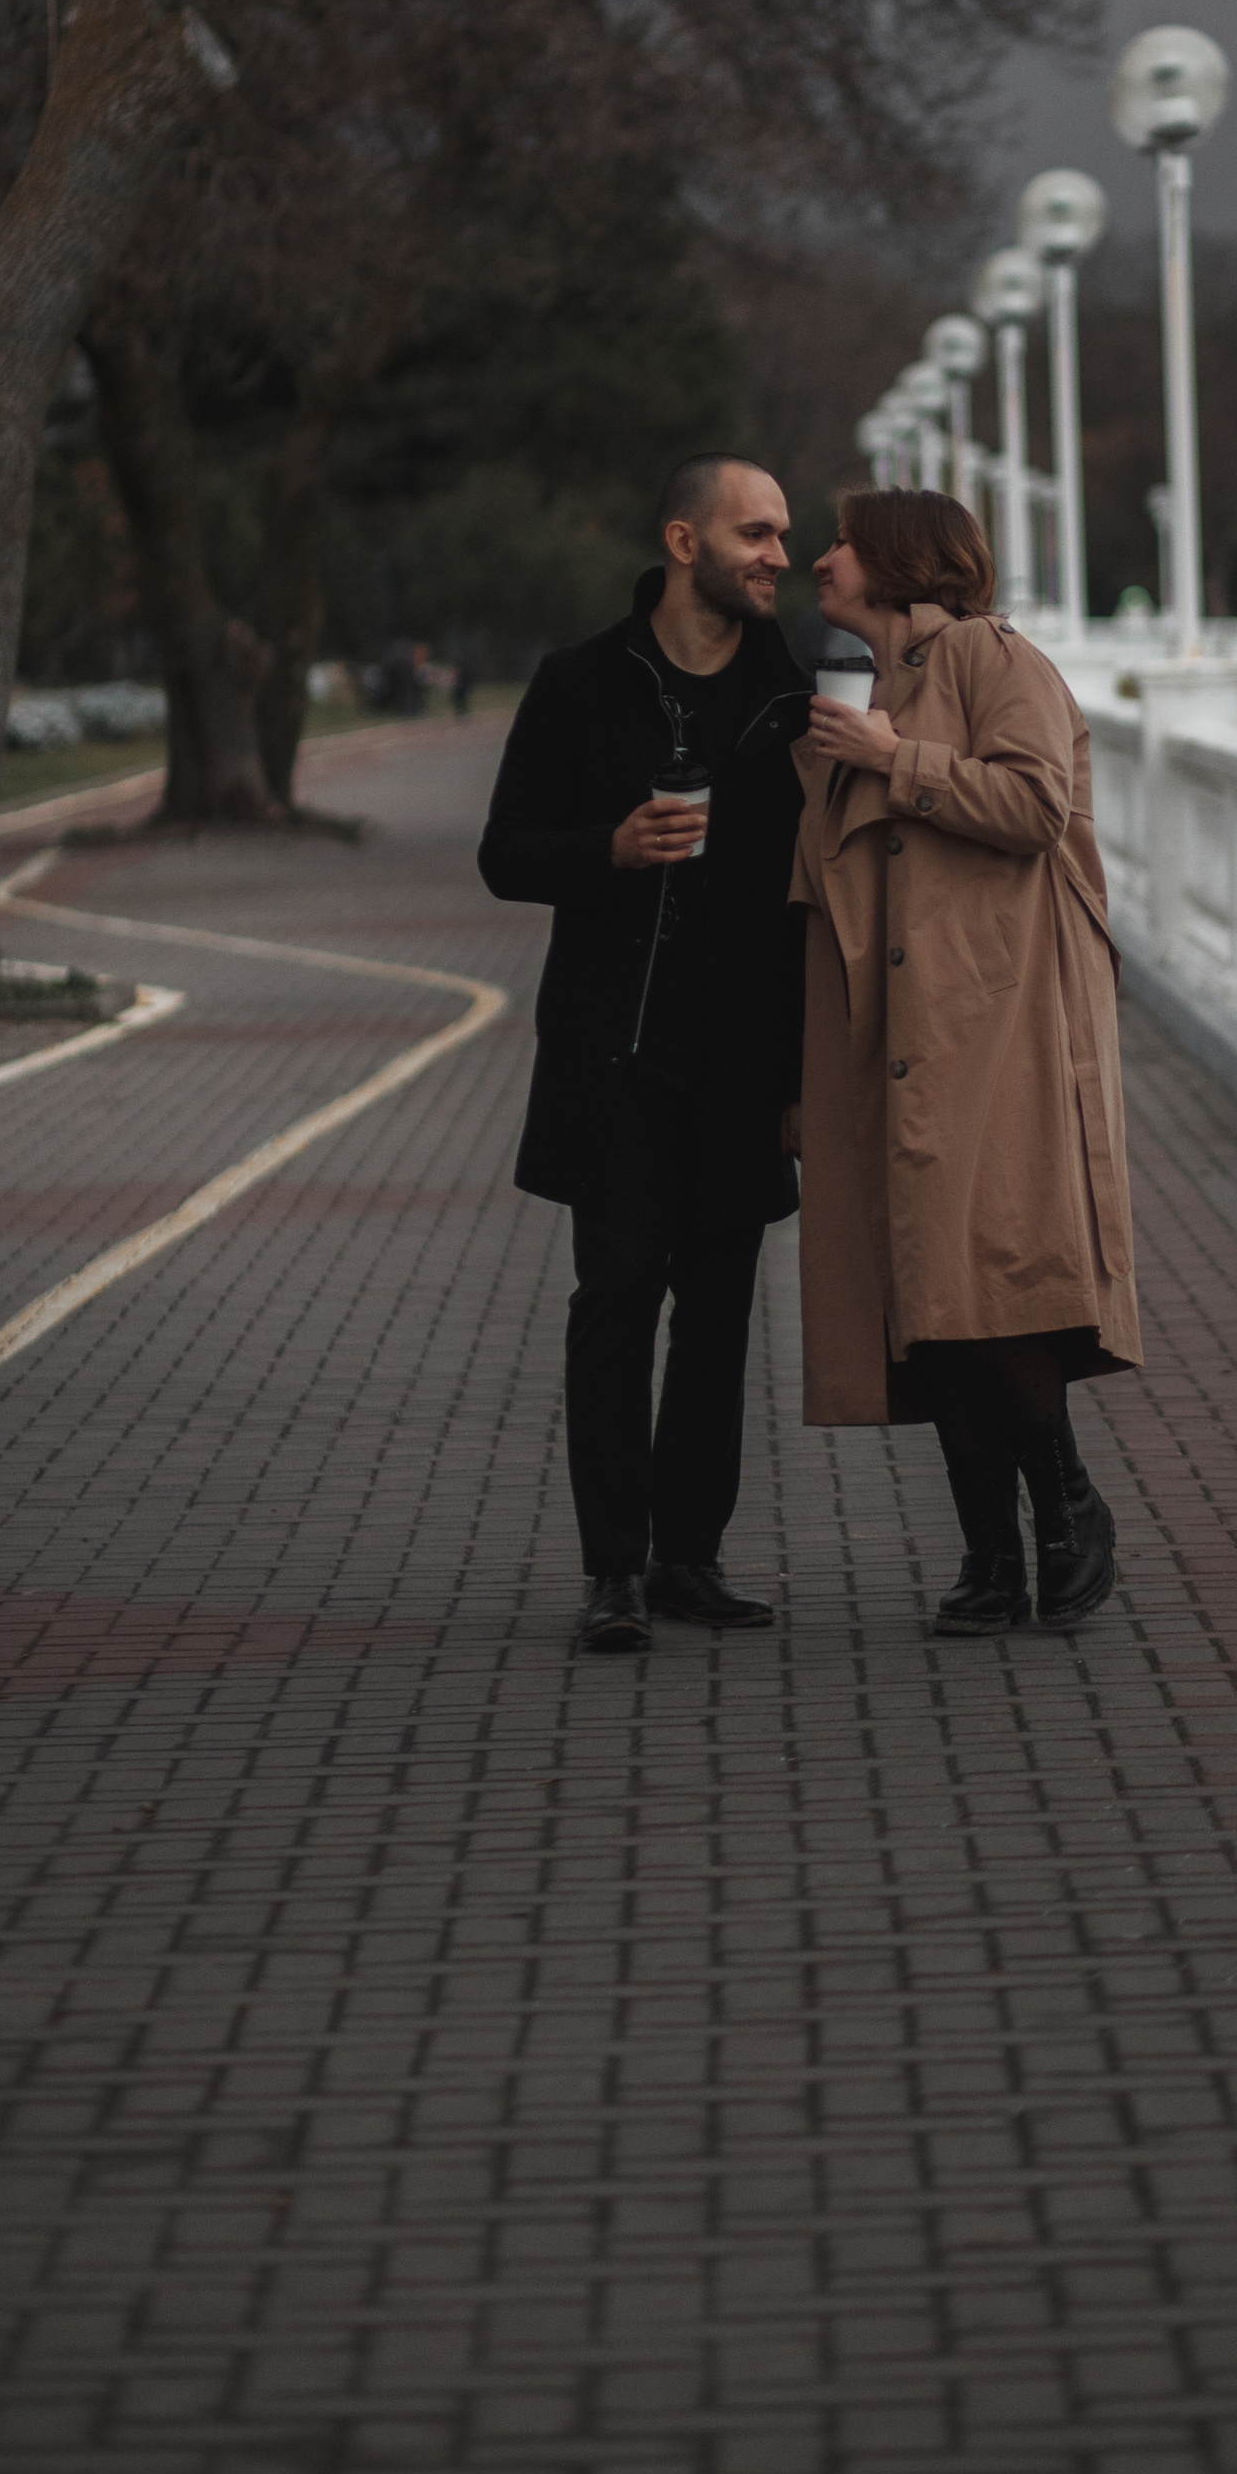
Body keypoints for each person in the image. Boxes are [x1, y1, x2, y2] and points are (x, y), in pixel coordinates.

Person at [790, 485, 1139, 1632]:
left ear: (896, 560)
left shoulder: (996, 659)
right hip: (886, 1031)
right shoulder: (865, 685)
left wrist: (896, 761)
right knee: (922, 1295)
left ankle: (1068, 1508)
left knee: (991, 1282)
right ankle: (991, 1555)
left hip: (997, 1023)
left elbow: (1037, 808)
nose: (820, 558)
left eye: (840, 541)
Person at [479, 456, 809, 1653]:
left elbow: (812, 907)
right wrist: (608, 850)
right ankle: (613, 1570)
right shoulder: (581, 684)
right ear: (685, 541)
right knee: (615, 1301)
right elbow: (506, 852)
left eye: (784, 536)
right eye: (757, 533)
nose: (780, 554)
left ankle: (689, 1560)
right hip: (617, 1056)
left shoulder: (797, 696)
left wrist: (799, 1082)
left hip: (742, 1064)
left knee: (718, 1316)